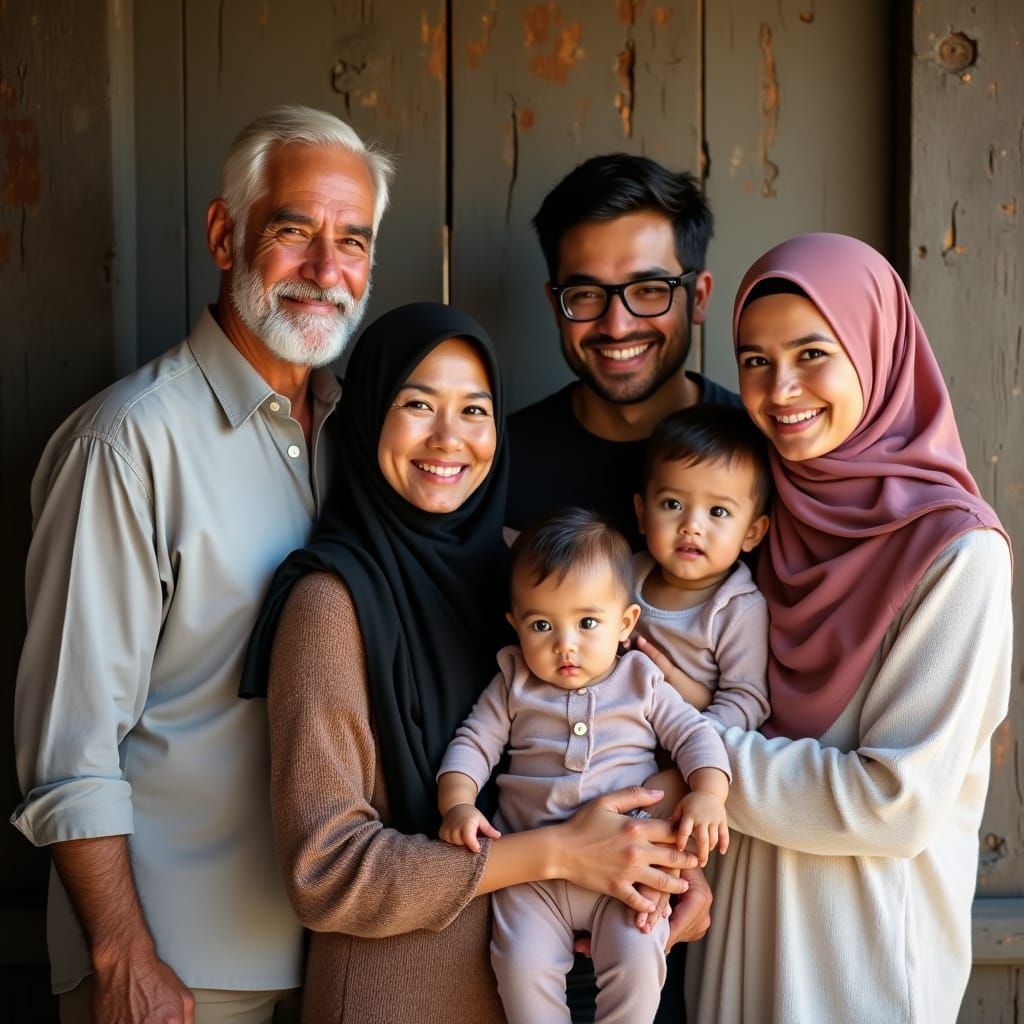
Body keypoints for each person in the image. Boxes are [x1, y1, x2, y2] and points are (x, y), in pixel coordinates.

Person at [11, 105, 393, 1024]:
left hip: (342, 961)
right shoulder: (127, 445)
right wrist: (122, 953)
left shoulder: (368, 441)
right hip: (176, 975)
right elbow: (70, 744)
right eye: (294, 231)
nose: (325, 270)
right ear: (226, 235)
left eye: (353, 241)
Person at [239, 304, 699, 1024]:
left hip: (556, 984)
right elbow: (324, 871)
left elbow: (641, 722)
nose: (449, 438)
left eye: (474, 410)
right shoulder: (330, 604)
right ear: (366, 419)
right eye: (417, 404)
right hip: (401, 998)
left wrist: (665, 860)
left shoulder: (537, 576)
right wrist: (553, 855)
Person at [661, 233, 1012, 1023]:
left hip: (863, 963)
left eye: (813, 353)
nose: (780, 388)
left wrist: (697, 752)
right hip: (735, 953)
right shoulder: (754, 519)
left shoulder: (956, 552)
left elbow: (894, 801)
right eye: (754, 360)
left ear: (877, 349)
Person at [437, 509, 731, 1024]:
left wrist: (709, 794)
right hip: (531, 879)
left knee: (640, 961)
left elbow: (694, 734)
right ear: (516, 625)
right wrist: (457, 803)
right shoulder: (513, 682)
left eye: (587, 622)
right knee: (520, 971)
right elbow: (472, 745)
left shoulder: (641, 679)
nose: (564, 644)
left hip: (629, 868)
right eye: (542, 625)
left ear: (625, 624)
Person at [506, 153, 740, 551]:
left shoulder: (759, 452)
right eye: (585, 294)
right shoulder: (497, 464)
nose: (616, 326)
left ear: (697, 298)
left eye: (649, 290)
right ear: (554, 305)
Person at [632, 403, 771, 731]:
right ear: (641, 513)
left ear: (751, 533)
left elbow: (745, 700)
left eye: (718, 512)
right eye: (672, 504)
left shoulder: (737, 610)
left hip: (683, 747)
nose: (691, 525)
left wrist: (695, 744)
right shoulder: (619, 575)